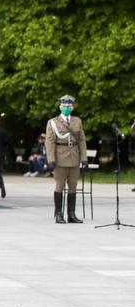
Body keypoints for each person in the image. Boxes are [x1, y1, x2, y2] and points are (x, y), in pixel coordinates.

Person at [45, 95, 87, 224]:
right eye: (64, 106)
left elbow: (81, 140)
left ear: (72, 107)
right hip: (60, 157)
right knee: (59, 185)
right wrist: (51, 159)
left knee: (73, 185)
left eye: (69, 106)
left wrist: (84, 158)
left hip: (74, 156)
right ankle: (58, 214)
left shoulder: (77, 121)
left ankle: (71, 214)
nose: (67, 108)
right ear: (60, 107)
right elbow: (49, 142)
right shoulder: (53, 122)